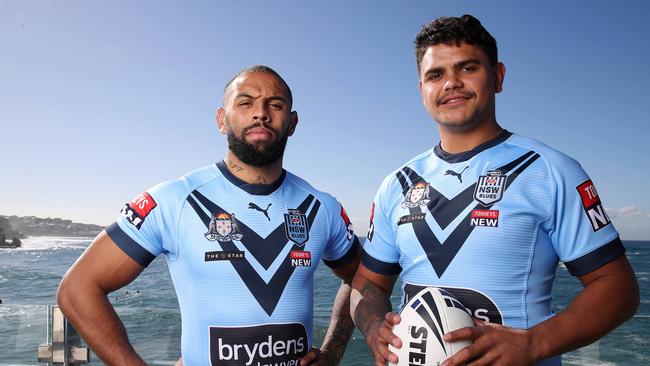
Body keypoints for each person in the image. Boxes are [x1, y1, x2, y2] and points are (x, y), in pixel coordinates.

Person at [350, 14, 639, 366]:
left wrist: (534, 343)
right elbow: (368, 284)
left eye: (467, 68)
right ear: (422, 90)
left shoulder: (550, 170)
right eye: (435, 75)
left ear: (497, 77)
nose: (451, 83)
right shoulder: (397, 184)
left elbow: (618, 287)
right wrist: (373, 325)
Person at [57, 65, 361, 366]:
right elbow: (77, 289)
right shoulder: (174, 200)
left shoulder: (322, 207)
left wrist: (332, 351)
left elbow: (362, 279)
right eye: (245, 102)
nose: (261, 113)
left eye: (275, 104)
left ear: (291, 123)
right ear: (221, 120)